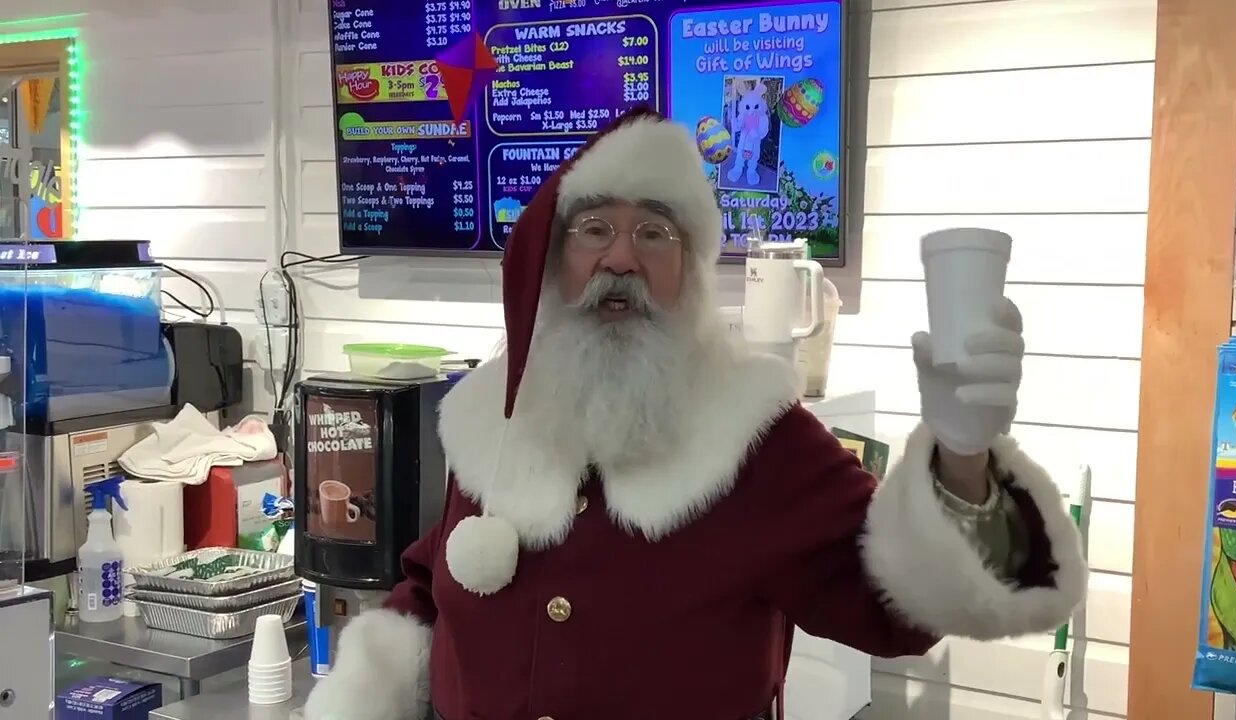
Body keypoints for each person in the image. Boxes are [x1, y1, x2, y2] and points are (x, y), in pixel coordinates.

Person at [304, 108, 1087, 720]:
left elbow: (899, 614)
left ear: (693, 268)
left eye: (654, 231)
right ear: (549, 257)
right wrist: (366, 689)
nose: (620, 258)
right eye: (594, 229)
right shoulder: (491, 410)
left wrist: (962, 457)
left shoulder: (757, 435)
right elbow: (433, 581)